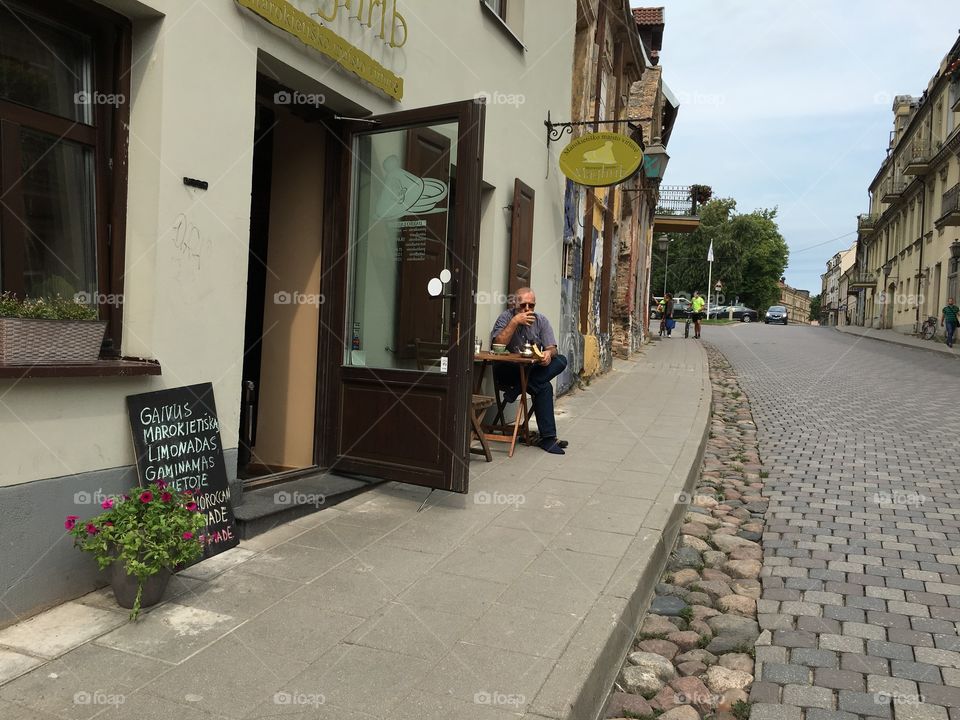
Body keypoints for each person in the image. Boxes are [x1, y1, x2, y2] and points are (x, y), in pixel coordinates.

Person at [490, 288, 568, 454]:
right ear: (514, 304)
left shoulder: (541, 321)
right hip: (509, 371)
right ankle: (548, 439)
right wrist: (515, 322)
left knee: (561, 360)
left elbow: (552, 349)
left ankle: (517, 391)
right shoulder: (506, 317)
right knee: (544, 386)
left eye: (530, 306)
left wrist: (548, 353)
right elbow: (497, 345)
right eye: (522, 305)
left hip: (530, 371)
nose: (527, 309)